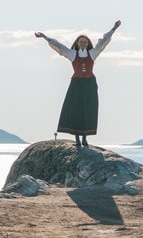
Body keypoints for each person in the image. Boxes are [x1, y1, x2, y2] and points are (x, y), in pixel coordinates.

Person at [34, 20, 121, 148]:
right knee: (75, 110)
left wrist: (113, 29)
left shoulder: (93, 53)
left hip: (90, 84)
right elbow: (59, 46)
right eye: (81, 42)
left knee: (87, 110)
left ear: (87, 43)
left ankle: (85, 138)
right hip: (76, 84)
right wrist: (45, 37)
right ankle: (77, 139)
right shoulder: (72, 54)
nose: (83, 43)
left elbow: (103, 41)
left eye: (85, 42)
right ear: (77, 43)